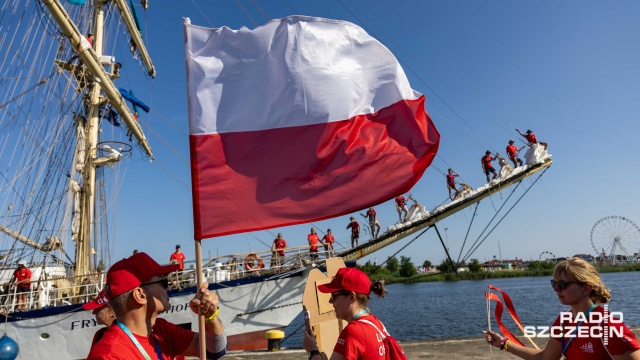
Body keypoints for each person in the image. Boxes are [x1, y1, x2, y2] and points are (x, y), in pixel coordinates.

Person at [483, 257, 640, 360]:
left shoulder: (607, 326)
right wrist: (504, 343)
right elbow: (545, 358)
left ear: (586, 288)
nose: (557, 289)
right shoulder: (564, 322)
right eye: (555, 284)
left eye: (563, 285)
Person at [86, 252, 227, 359]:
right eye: (163, 283)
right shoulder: (108, 355)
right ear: (140, 295)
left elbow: (214, 350)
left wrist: (210, 316)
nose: (168, 287)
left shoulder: (161, 330)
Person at [303, 267, 401, 360]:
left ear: (351, 297)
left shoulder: (353, 332)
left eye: (334, 295)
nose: (330, 301)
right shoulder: (375, 322)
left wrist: (313, 351)